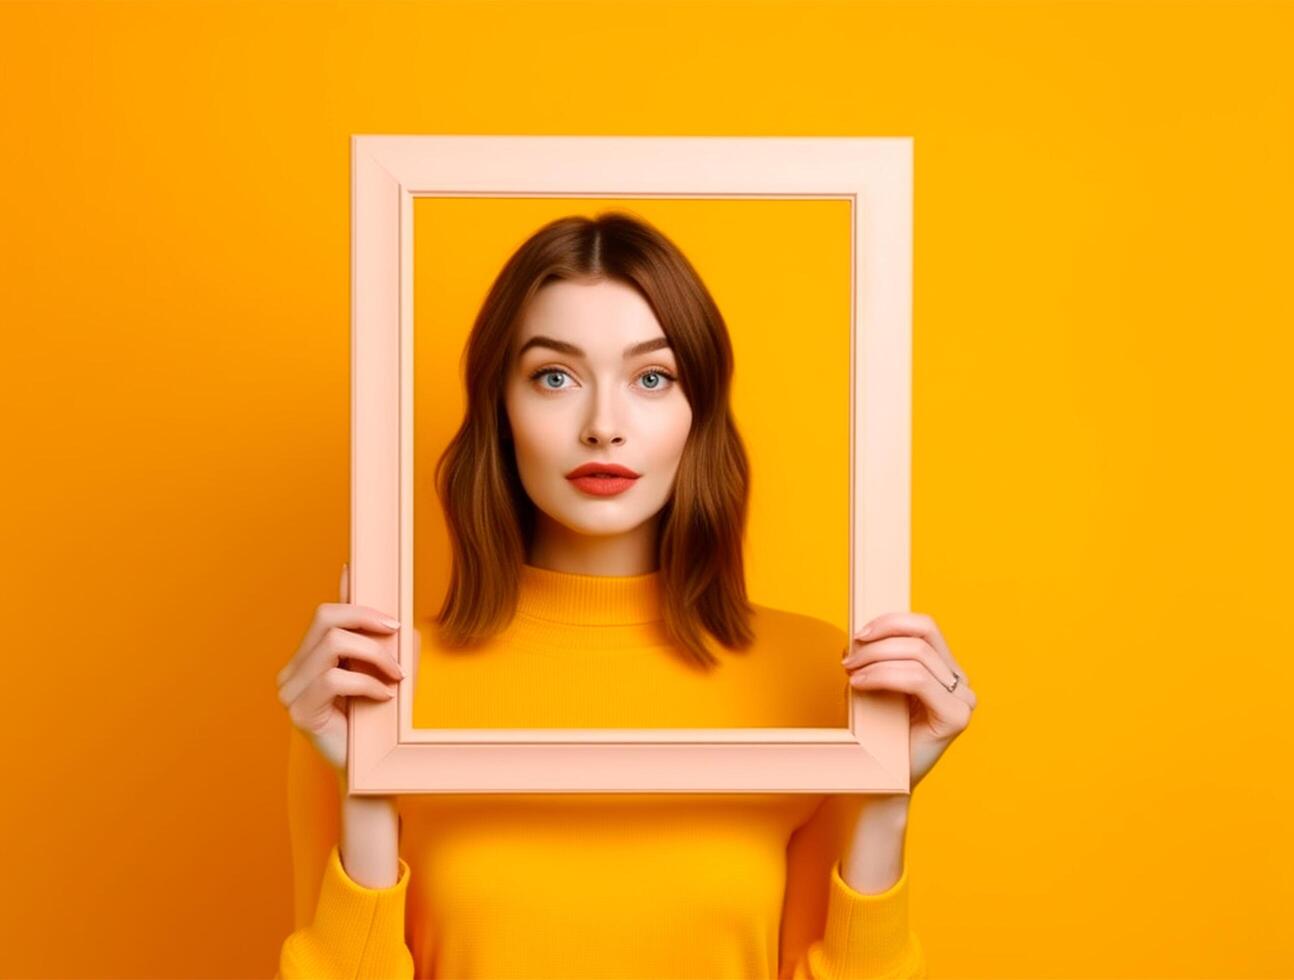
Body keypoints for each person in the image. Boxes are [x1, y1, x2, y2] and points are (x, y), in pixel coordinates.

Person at [274, 212, 975, 978]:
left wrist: (888, 798)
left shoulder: (814, 673)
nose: (603, 426)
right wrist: (366, 788)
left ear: (697, 412)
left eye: (652, 377)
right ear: (499, 412)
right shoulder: (374, 682)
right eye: (554, 376)